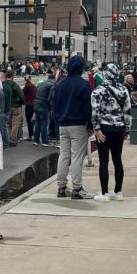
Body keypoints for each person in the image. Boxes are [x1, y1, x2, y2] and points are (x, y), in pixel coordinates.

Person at [90, 64, 132, 201]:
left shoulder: (98, 91)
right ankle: (118, 192)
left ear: (104, 74)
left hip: (104, 128)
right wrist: (126, 129)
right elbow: (127, 111)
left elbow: (95, 111)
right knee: (117, 159)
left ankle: (104, 193)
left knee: (103, 160)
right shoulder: (124, 90)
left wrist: (96, 129)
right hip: (119, 128)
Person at [53, 55, 93, 199]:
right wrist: (90, 125)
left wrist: (57, 120)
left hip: (63, 124)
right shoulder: (84, 84)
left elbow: (54, 105)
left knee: (64, 155)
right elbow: (88, 107)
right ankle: (77, 188)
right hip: (78, 124)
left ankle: (62, 187)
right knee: (77, 157)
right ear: (81, 68)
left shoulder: (60, 84)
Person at [4, 70, 25, 146]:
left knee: (8, 125)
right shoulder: (14, 85)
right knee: (15, 125)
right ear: (12, 76)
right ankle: (13, 140)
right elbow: (21, 95)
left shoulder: (3, 85)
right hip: (16, 106)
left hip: (7, 107)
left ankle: (8, 139)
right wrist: (22, 102)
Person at [33, 73, 53, 146]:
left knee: (37, 123)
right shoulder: (51, 85)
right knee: (44, 123)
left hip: (36, 104)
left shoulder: (41, 84)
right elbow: (51, 97)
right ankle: (45, 141)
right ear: (53, 79)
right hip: (43, 105)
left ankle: (36, 140)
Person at [21, 75, 37, 141]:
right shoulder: (33, 85)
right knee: (34, 120)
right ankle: (35, 135)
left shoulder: (27, 86)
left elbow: (22, 93)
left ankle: (31, 135)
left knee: (29, 120)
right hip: (34, 104)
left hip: (29, 104)